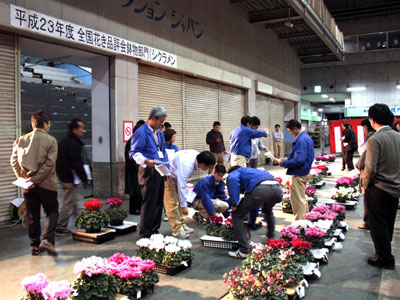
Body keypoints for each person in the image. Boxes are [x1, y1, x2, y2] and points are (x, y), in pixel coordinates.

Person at [10, 110, 59, 256]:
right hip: (47, 184)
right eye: (49, 123)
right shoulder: (51, 141)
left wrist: (25, 179)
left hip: (28, 186)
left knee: (31, 215)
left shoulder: (20, 140)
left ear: (33, 123)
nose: (49, 126)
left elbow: (13, 161)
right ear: (45, 124)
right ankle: (48, 240)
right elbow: (50, 164)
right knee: (52, 211)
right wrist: (35, 179)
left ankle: (35, 246)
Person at [362, 103, 400, 270]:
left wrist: (364, 184)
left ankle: (384, 258)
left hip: (378, 188)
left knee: (377, 224)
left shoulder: (375, 139)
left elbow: (370, 168)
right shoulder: (398, 136)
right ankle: (385, 252)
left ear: (372, 120)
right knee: (388, 223)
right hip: (395, 187)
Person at [130, 107, 169, 238]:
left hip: (160, 169)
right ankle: (145, 233)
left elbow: (163, 151)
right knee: (149, 202)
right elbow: (134, 153)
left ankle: (154, 229)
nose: (162, 124)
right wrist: (146, 161)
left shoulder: (159, 133)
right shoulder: (141, 133)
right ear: (153, 118)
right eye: (161, 121)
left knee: (158, 201)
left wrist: (166, 169)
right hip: (148, 170)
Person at [226, 166, 282, 258]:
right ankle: (270, 237)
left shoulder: (234, 172)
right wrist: (250, 224)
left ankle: (244, 250)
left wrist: (234, 203)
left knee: (236, 215)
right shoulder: (252, 172)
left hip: (261, 189)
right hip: (277, 188)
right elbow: (253, 206)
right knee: (267, 210)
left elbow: (232, 179)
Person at [164, 150, 216, 238]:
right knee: (173, 203)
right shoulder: (187, 166)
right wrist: (184, 206)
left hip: (177, 174)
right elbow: (182, 186)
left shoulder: (197, 156)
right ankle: (177, 230)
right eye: (208, 167)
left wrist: (183, 203)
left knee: (179, 201)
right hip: (168, 175)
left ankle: (182, 224)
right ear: (203, 164)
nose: (208, 169)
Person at [55, 119, 89, 235]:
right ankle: (61, 225)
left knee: (73, 200)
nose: (82, 131)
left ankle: (79, 220)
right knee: (68, 202)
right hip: (70, 177)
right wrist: (84, 177)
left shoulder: (65, 142)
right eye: (81, 128)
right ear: (75, 130)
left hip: (65, 176)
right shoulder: (73, 144)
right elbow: (76, 163)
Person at [279, 119, 314, 220]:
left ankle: (300, 223)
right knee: (301, 198)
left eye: (289, 131)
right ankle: (305, 218)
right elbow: (301, 156)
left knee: (297, 200)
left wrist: (285, 163)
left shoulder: (301, 140)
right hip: (304, 171)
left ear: (295, 129)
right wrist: (287, 159)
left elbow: (299, 159)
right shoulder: (305, 137)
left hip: (299, 173)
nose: (290, 133)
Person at [356, 118, 375, 230]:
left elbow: (367, 159)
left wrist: (359, 165)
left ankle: (367, 222)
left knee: (368, 200)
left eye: (364, 127)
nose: (363, 130)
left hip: (370, 174)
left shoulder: (372, 138)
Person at [125, 120, 145, 215]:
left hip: (138, 168)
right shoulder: (132, 141)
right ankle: (133, 209)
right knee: (135, 191)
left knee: (138, 190)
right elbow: (130, 157)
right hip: (134, 169)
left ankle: (138, 208)